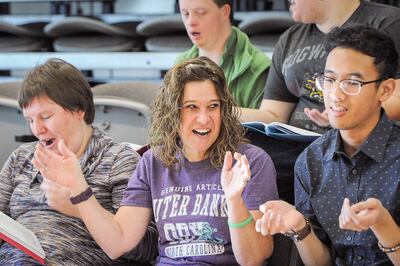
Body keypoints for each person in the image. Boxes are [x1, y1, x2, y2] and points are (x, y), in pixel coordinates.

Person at [33, 56, 279, 265]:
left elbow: (254, 258)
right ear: (172, 112)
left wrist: (234, 201)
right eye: (191, 107)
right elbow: (117, 243)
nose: (204, 119)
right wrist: (79, 186)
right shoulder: (153, 162)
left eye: (212, 106)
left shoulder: (250, 161)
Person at [256, 25, 400, 265]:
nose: (335, 95)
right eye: (329, 80)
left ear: (385, 90)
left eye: (352, 83)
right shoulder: (310, 161)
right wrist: (299, 227)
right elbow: (321, 262)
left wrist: (383, 226)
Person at [0, 58, 157, 265]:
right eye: (30, 120)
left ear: (78, 109)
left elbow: (145, 248)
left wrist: (80, 208)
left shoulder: (118, 160)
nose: (37, 130)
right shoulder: (22, 158)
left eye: (45, 117)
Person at [241, 0, 400, 131]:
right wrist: (221, 111)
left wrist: (342, 115)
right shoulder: (289, 39)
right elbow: (273, 115)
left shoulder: (387, 22)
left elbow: (396, 97)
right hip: (294, 150)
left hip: (356, 150)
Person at [176, 0, 271, 109]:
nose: (190, 21)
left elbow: (259, 125)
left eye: (201, 12)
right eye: (185, 14)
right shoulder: (179, 65)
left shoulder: (258, 69)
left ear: (225, 12)